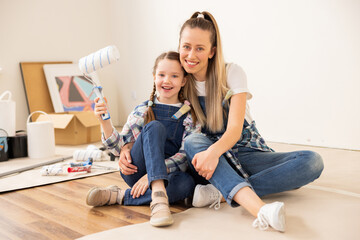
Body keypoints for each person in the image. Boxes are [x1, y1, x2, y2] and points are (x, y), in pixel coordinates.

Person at [178, 11, 324, 232]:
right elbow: (154, 115)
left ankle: (221, 191)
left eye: (200, 48)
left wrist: (213, 154)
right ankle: (259, 208)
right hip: (209, 160)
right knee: (193, 141)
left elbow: (235, 129)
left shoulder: (231, 72)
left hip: (243, 151)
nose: (191, 54)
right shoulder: (177, 78)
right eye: (186, 46)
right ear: (179, 46)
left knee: (312, 161)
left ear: (212, 51)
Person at [86, 51, 201, 227]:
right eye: (161, 75)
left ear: (184, 80)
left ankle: (119, 196)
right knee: (155, 127)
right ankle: (159, 200)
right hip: (137, 172)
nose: (167, 80)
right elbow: (119, 147)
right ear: (154, 77)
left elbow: (185, 157)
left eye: (174, 76)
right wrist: (105, 123)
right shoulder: (142, 110)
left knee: (187, 184)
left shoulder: (190, 115)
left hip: (166, 175)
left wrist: (154, 176)